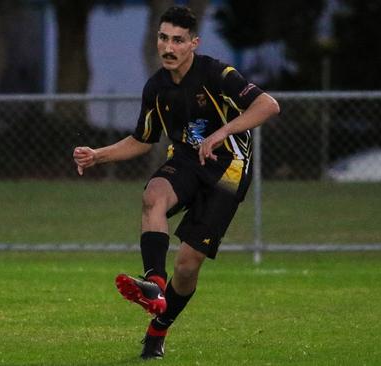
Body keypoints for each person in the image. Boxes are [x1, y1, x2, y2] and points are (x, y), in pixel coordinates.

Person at [73, 5, 280, 360]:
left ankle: (158, 329)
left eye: (178, 41)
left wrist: (222, 133)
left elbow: (268, 105)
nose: (168, 47)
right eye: (163, 38)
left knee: (187, 266)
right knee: (153, 195)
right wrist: (98, 154)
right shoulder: (156, 87)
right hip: (186, 160)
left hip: (229, 169)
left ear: (193, 43)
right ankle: (154, 283)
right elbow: (143, 139)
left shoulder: (217, 73)